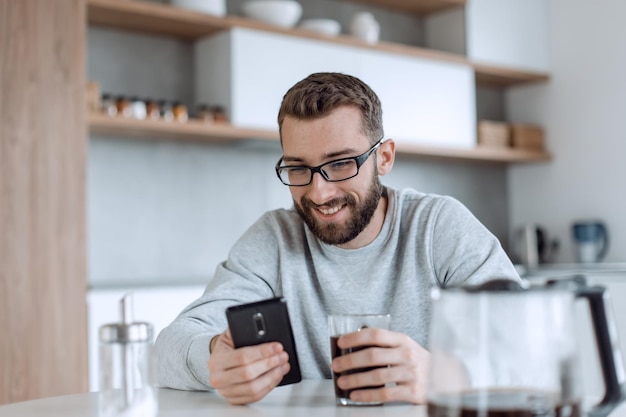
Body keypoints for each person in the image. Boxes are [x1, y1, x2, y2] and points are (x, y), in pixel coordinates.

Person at [154, 72, 522, 405]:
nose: (320, 192)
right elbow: (167, 349)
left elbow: (528, 343)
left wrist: (442, 375)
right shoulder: (275, 238)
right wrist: (215, 357)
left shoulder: (438, 226)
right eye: (298, 168)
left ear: (384, 158)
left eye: (341, 163)